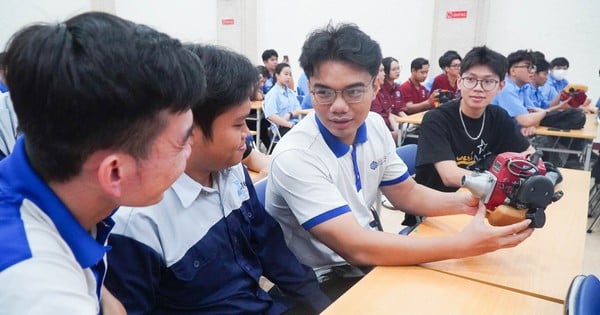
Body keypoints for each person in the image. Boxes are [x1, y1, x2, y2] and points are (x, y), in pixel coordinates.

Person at [265, 23, 533, 300]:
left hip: (365, 260)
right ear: (309, 86)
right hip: (319, 277)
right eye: (323, 92)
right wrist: (462, 245)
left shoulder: (373, 126)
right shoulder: (296, 155)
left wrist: (469, 203)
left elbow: (407, 193)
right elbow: (355, 247)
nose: (338, 106)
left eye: (354, 92)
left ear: (376, 85)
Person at [0, 12, 206, 314]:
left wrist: (104, 296)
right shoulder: (37, 290)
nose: (191, 149)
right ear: (114, 172)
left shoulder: (54, 171)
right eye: (182, 141)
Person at [105, 44, 329, 314]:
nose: (248, 134)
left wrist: (323, 306)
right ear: (188, 128)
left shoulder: (229, 168)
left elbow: (269, 246)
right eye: (238, 124)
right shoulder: (138, 221)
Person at [415, 46, 535, 192]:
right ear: (459, 82)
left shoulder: (498, 117)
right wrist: (500, 183)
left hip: (485, 200)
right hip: (439, 205)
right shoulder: (436, 119)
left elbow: (530, 155)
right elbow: (450, 176)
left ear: (501, 86)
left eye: (488, 81)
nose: (478, 88)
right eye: (470, 79)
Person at [371, 57, 407, 141]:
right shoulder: (379, 91)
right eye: (381, 71)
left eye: (398, 68)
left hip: (390, 127)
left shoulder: (395, 87)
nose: (398, 71)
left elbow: (389, 113)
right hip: (379, 131)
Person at [263, 63, 302, 137]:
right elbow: (271, 116)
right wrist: (290, 125)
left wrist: (290, 114)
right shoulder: (272, 94)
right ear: (277, 75)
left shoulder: (291, 93)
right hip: (281, 127)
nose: (288, 77)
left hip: (295, 125)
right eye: (286, 74)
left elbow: (299, 110)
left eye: (290, 75)